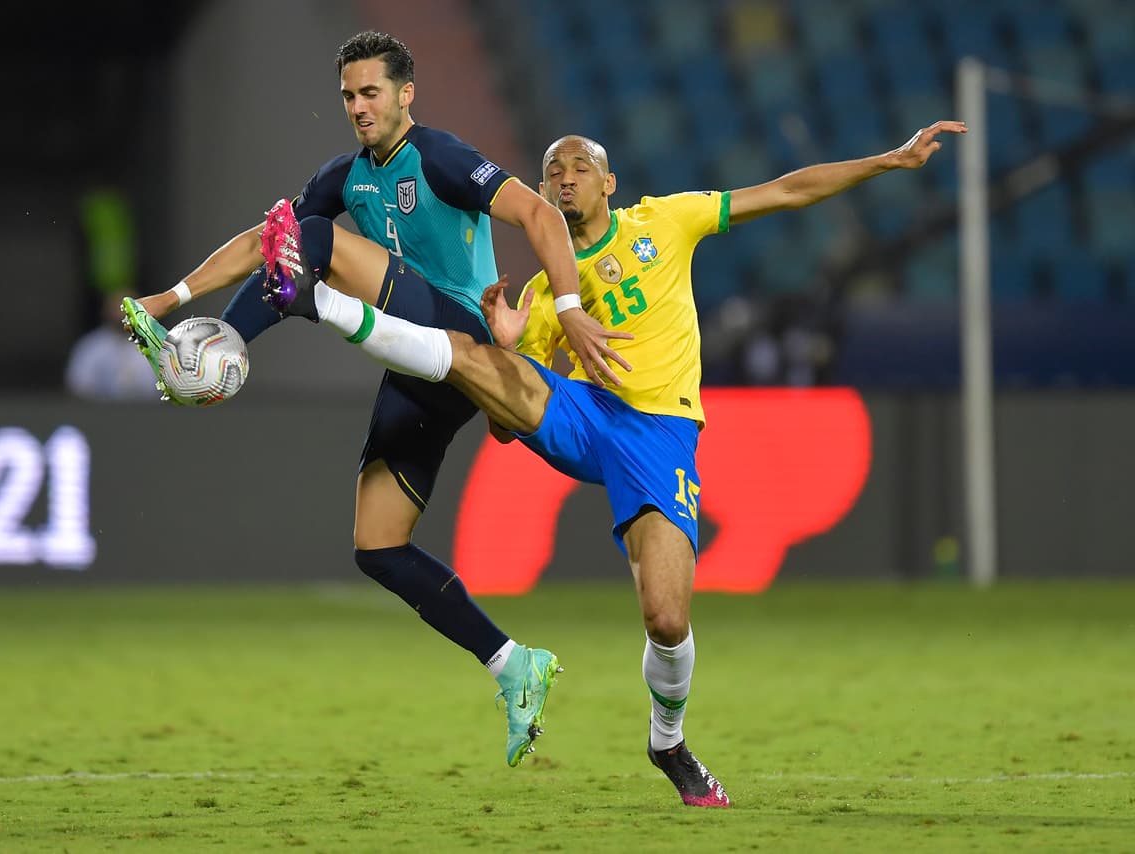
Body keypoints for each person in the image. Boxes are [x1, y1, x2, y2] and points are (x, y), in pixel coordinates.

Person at [261, 121, 966, 806]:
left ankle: (668, 742)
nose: (565, 178)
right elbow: (506, 429)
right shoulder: (542, 296)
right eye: (553, 172)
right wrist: (508, 346)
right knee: (473, 356)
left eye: (580, 167)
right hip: (585, 417)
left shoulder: (667, 221)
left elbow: (783, 191)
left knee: (666, 618)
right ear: (543, 192)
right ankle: (318, 302)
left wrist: (887, 160)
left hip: (659, 434)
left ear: (609, 183)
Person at [119, 32, 625, 767]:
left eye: (371, 93)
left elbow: (542, 217)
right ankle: (513, 663)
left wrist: (571, 307)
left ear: (405, 94)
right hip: (421, 370)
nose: (359, 107)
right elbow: (268, 240)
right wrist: (170, 298)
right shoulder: (344, 175)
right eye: (349, 96)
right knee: (379, 548)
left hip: (460, 332)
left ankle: (218, 355)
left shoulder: (442, 157)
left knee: (315, 241)